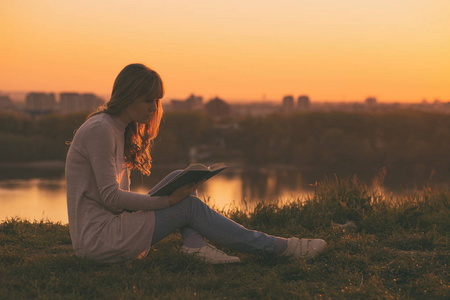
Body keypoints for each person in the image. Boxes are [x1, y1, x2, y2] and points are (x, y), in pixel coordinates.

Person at [65, 63, 327, 264]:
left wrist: (167, 199)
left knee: (184, 178)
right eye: (148, 100)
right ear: (128, 96)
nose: (154, 108)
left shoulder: (117, 129)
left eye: (157, 101)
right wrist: (167, 203)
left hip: (112, 228)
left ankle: (195, 246)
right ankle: (282, 248)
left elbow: (115, 203)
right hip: (97, 240)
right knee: (187, 205)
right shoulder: (100, 130)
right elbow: (111, 198)